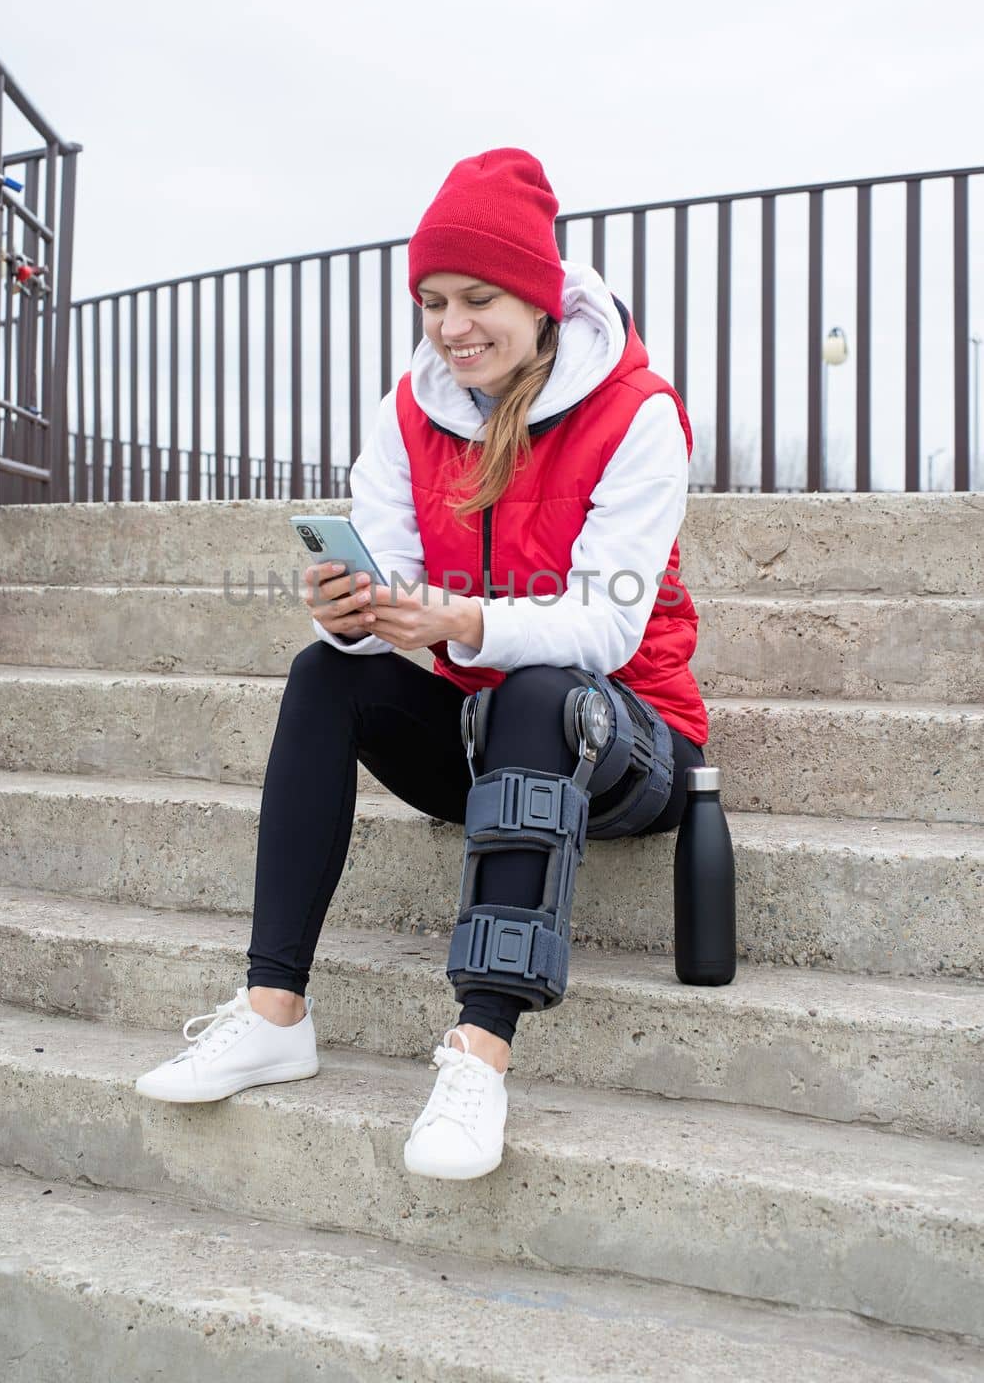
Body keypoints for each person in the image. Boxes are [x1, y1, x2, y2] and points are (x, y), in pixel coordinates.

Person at [135, 147, 708, 1183]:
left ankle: (480, 1052)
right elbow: (393, 577)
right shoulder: (411, 408)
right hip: (481, 739)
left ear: (539, 299)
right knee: (324, 675)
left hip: (628, 742)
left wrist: (463, 621)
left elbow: (608, 627)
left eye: (479, 297)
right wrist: (355, 613)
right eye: (433, 300)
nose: (451, 326)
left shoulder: (639, 413)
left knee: (540, 687)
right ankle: (273, 1011)